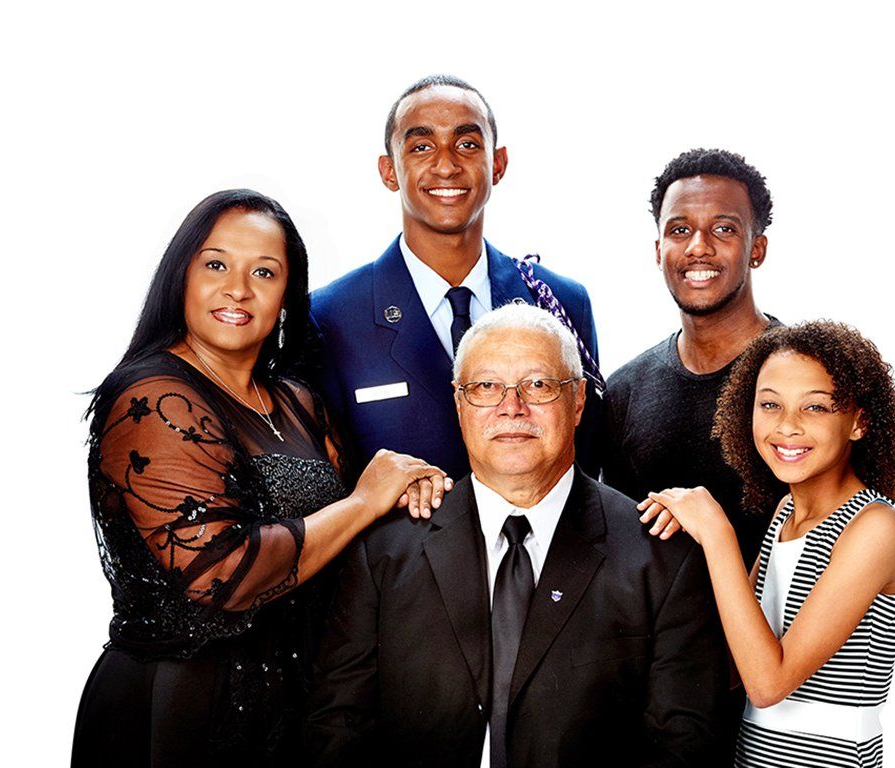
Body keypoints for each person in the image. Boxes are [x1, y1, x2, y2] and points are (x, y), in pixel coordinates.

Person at [72, 189, 452, 767]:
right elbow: (220, 574)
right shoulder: (152, 399)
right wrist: (364, 503)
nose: (238, 289)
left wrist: (405, 492)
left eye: (264, 272)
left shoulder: (297, 401)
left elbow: (351, 539)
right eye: (216, 264)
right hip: (183, 709)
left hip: (301, 702)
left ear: (286, 296)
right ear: (183, 276)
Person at [306, 304, 730, 767]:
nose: (512, 407)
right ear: (458, 402)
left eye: (539, 385)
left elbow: (684, 747)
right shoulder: (387, 546)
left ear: (579, 401)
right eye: (486, 386)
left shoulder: (661, 554)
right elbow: (338, 727)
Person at [639, 321, 895, 767]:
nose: (787, 426)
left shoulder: (875, 527)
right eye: (770, 404)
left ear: (859, 422)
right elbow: (737, 662)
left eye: (816, 408)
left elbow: (768, 684)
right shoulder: (786, 512)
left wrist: (717, 532)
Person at [308, 74, 601, 485]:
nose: (446, 165)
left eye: (467, 144)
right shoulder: (330, 316)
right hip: (395, 549)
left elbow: (584, 467)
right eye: (422, 147)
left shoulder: (561, 301)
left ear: (497, 164)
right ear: (389, 170)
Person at [601, 148, 784, 570]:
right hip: (658, 636)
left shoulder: (808, 375)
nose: (698, 248)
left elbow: (872, 536)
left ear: (757, 249)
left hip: (785, 636)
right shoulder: (624, 392)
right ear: (658, 248)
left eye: (723, 229)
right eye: (680, 230)